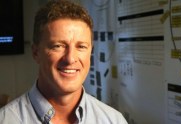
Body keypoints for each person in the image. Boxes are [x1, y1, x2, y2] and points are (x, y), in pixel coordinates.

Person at [0, 0, 128, 124]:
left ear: (91, 52)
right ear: (36, 53)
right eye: (58, 46)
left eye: (81, 47)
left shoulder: (114, 120)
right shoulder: (5, 120)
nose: (70, 58)